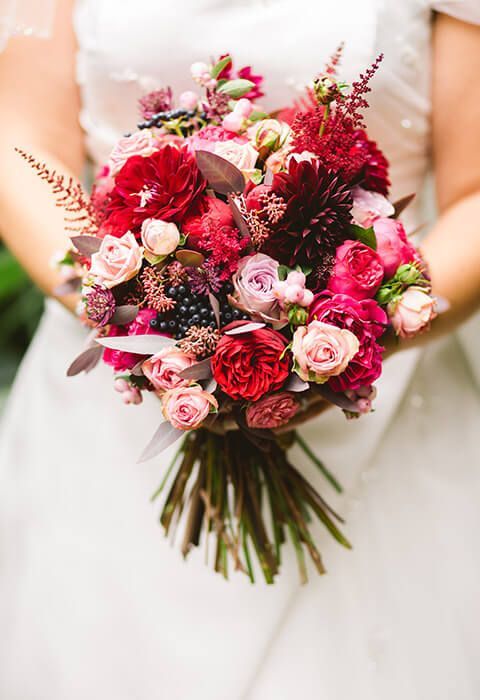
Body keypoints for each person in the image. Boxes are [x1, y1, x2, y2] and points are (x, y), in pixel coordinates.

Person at [0, 1, 479, 698]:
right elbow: (21, 141)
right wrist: (134, 318)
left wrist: (340, 342)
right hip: (107, 416)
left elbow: (474, 190)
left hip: (383, 407)